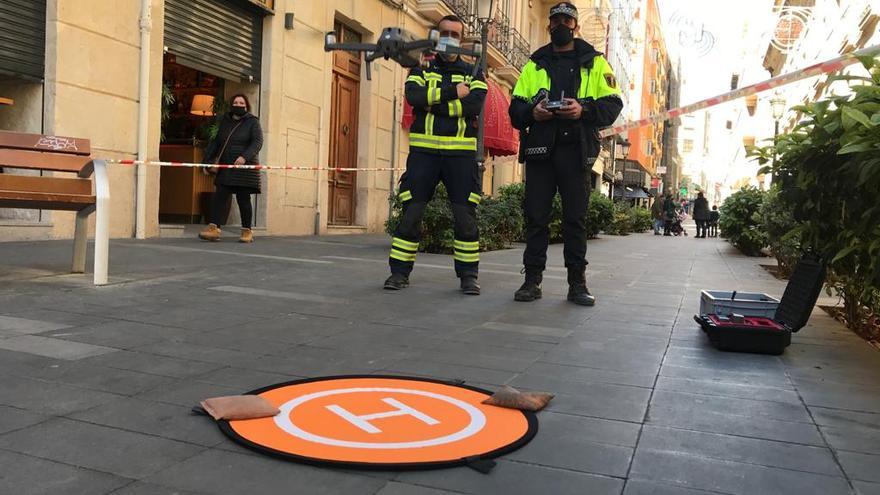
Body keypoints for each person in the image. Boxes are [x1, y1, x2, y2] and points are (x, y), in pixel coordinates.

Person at [508, 2, 623, 306]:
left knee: (575, 220)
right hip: (540, 152)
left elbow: (613, 106)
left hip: (576, 153)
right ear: (549, 25)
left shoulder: (595, 62)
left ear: (576, 26)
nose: (561, 25)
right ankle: (532, 280)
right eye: (556, 20)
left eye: (567, 20)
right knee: (536, 219)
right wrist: (534, 112)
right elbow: (515, 110)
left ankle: (577, 284)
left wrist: (583, 110)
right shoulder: (535, 64)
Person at [383, 15, 488, 295]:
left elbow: (474, 105)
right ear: (435, 35)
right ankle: (399, 274)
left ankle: (468, 276)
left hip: (460, 157)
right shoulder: (421, 67)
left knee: (465, 218)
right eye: (445, 33)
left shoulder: (475, 70)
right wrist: (454, 93)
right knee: (410, 215)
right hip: (423, 155)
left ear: (462, 39)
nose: (450, 38)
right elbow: (413, 97)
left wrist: (434, 102)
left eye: (455, 34)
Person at [199, 94, 263, 243]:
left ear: (246, 106)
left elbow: (257, 142)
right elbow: (216, 144)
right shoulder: (225, 122)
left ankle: (247, 231)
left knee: (243, 200)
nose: (238, 104)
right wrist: (206, 163)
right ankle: (213, 229)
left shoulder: (253, 122)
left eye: (241, 102)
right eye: (235, 102)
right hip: (226, 166)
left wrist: (244, 157)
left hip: (244, 169)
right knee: (219, 197)